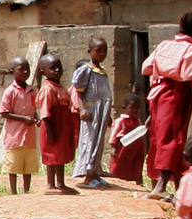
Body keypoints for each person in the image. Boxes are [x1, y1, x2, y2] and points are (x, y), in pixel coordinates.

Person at [143, 12, 192, 201]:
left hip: (157, 94)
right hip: (175, 96)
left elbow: (146, 67)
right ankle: (161, 186)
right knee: (173, 138)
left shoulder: (164, 45)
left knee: (159, 138)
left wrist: (167, 72)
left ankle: (176, 186)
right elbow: (188, 75)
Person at [72, 38, 113, 189]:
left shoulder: (102, 72)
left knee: (98, 142)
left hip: (101, 112)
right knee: (90, 141)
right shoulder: (86, 70)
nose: (102, 54)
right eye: (98, 51)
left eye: (104, 51)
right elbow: (79, 92)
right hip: (91, 111)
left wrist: (107, 115)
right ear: (90, 51)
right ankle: (87, 176)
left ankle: (95, 172)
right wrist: (82, 109)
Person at [37, 53, 78, 195]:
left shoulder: (60, 87)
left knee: (61, 155)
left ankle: (61, 183)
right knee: (52, 156)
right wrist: (49, 131)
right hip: (53, 126)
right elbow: (45, 113)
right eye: (52, 68)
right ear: (43, 72)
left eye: (59, 67)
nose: (57, 71)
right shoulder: (48, 89)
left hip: (62, 126)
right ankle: (50, 185)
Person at [0, 57, 39, 195]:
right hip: (15, 136)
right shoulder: (10, 91)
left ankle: (26, 190)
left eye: (27, 68)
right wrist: (23, 119)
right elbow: (4, 112)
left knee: (28, 166)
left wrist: (36, 119)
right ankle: (14, 192)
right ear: (12, 71)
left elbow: (34, 109)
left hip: (29, 136)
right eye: (21, 69)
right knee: (14, 166)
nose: (25, 72)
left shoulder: (32, 91)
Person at [108, 93, 146, 185]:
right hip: (123, 149)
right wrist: (113, 147)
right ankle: (116, 181)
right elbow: (114, 134)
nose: (134, 110)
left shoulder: (138, 121)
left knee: (136, 165)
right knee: (120, 165)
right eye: (132, 107)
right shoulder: (120, 121)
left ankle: (138, 181)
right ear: (124, 107)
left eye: (137, 108)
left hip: (135, 149)